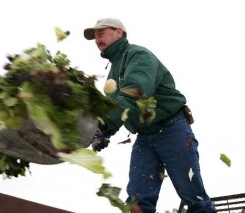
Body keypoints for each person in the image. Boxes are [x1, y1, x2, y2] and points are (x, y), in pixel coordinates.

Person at [84, 18, 216, 213]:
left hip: (172, 129)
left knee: (193, 197)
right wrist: (103, 132)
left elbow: (133, 95)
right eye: (95, 36)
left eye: (101, 33)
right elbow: (116, 108)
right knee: (137, 203)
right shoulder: (113, 72)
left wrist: (101, 125)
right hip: (145, 138)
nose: (97, 39)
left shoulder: (138, 55)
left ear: (119, 32)